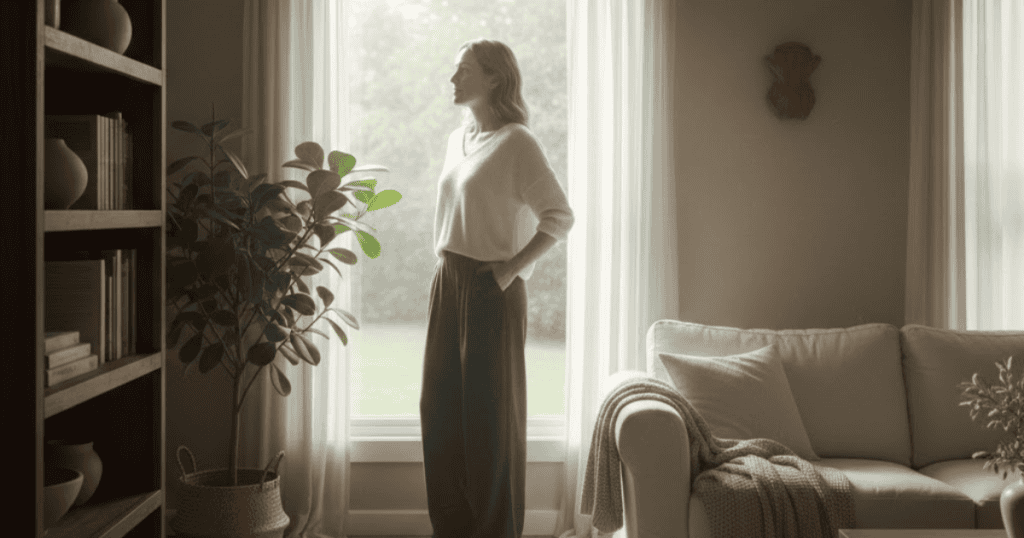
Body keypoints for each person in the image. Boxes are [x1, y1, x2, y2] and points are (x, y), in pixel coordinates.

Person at [419, 38, 575, 538]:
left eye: (462, 70)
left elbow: (559, 217)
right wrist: (445, 270)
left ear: (493, 79)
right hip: (448, 280)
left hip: (491, 288)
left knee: (489, 424)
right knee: (439, 410)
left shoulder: (517, 142)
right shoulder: (456, 139)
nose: (452, 78)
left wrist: (511, 270)